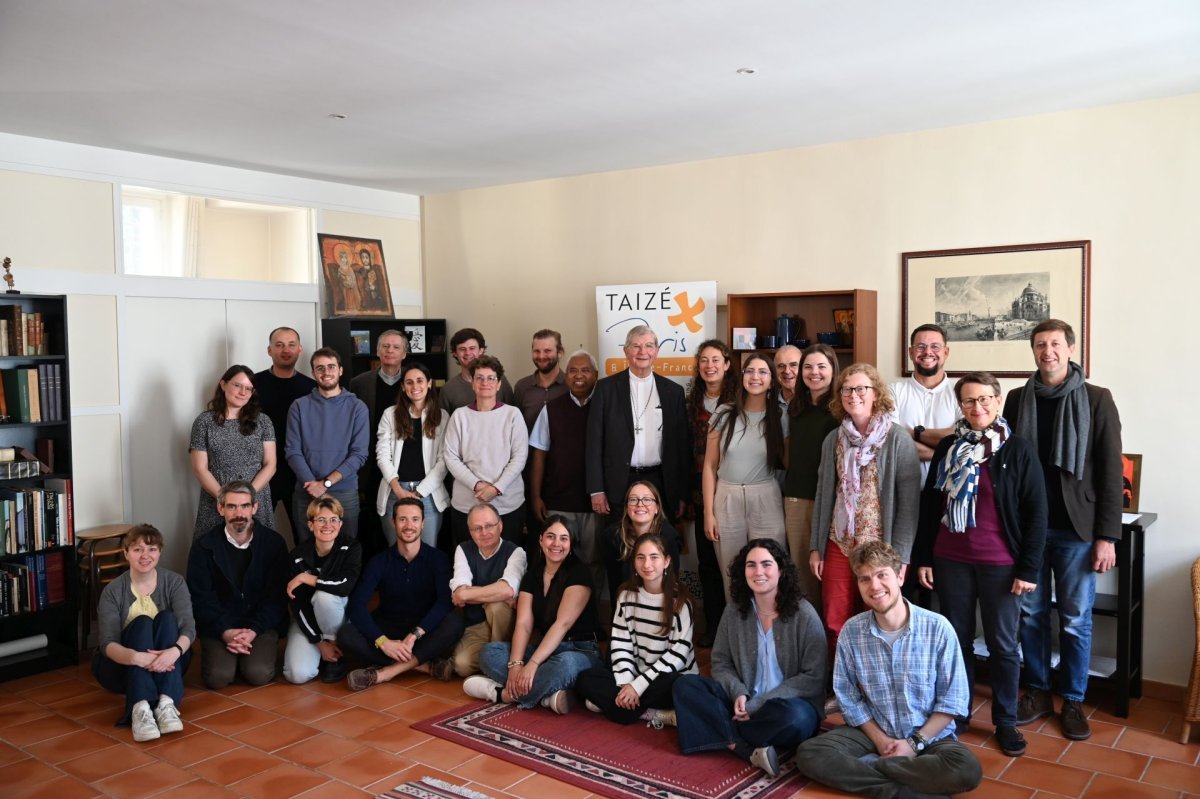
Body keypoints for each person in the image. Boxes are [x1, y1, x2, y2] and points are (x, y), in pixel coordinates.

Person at [914, 371, 1047, 756]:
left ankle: (1005, 721)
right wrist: (924, 557)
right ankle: (958, 714)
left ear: (998, 401)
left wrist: (1028, 570)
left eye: (985, 399)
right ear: (961, 405)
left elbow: (1036, 514)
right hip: (950, 558)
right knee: (956, 642)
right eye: (970, 400)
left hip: (1001, 565)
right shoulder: (948, 447)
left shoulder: (1017, 450)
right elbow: (930, 506)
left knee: (1003, 645)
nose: (978, 407)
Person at [1004, 319, 1122, 742]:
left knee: (1075, 619)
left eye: (1055, 344)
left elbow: (1111, 473)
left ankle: (1073, 698)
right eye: (1040, 344)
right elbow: (1009, 464)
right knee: (1031, 617)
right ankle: (1036, 692)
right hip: (1030, 529)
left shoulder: (1096, 398)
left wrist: (1106, 537)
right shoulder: (1017, 400)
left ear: (1071, 349)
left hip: (1078, 530)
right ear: (1032, 351)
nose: (1047, 351)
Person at [794, 540, 983, 799]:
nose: (874, 586)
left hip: (929, 739)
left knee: (966, 770)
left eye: (882, 575)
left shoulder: (938, 628)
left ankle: (875, 768)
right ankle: (903, 790)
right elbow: (847, 696)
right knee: (809, 754)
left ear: (900, 575)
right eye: (865, 579)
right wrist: (881, 740)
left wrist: (914, 744)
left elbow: (953, 701)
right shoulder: (852, 631)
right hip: (873, 735)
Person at [673, 539, 826, 778]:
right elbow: (721, 662)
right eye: (751, 565)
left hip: (783, 707)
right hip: (741, 702)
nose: (758, 572)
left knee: (798, 719)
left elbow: (813, 678)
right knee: (685, 685)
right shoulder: (734, 610)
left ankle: (720, 730)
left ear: (781, 570)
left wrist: (757, 704)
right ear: (742, 571)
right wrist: (739, 693)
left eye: (766, 564)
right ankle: (745, 748)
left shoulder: (804, 614)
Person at [810, 364, 920, 656]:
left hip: (881, 548)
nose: (854, 395)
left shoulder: (897, 439)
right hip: (839, 542)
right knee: (835, 620)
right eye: (847, 389)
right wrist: (816, 547)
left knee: (877, 617)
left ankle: (873, 684)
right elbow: (824, 496)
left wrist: (902, 557)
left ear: (876, 394)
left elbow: (909, 507)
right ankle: (841, 685)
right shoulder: (833, 439)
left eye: (861, 389)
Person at [465, 516, 605, 714]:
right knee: (490, 652)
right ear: (540, 540)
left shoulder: (579, 573)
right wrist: (516, 665)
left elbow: (562, 624)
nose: (557, 544)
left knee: (564, 665)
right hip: (544, 649)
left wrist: (533, 664)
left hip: (580, 651)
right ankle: (549, 694)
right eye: (550, 537)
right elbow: (523, 624)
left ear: (571, 544)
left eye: (564, 538)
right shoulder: (532, 575)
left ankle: (500, 694)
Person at [339, 497, 465, 690]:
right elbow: (357, 605)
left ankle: (384, 673)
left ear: (423, 524)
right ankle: (424, 666)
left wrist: (415, 634)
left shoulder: (438, 559)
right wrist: (383, 642)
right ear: (394, 522)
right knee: (346, 634)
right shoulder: (379, 561)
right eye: (403, 519)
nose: (409, 525)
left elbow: (444, 602)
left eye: (415, 519)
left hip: (423, 632)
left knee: (454, 623)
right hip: (388, 629)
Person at [576, 532, 697, 726]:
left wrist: (638, 687)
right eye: (640, 558)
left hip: (666, 679)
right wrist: (626, 683)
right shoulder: (626, 596)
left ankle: (617, 707)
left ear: (666, 561)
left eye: (654, 557)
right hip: (635, 675)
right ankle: (652, 714)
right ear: (633, 562)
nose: (647, 564)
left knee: (682, 687)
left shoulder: (681, 602)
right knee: (585, 679)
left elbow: (677, 657)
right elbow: (620, 643)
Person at [93, 524, 194, 742]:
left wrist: (173, 652)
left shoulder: (174, 582)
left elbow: (188, 629)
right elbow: (107, 643)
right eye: (138, 549)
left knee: (167, 619)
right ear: (126, 553)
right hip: (121, 668)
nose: (145, 556)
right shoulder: (113, 591)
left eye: (152, 549)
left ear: (160, 552)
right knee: (141, 623)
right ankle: (140, 709)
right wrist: (138, 658)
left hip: (169, 662)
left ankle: (166, 704)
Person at [186, 481, 289, 689]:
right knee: (218, 677)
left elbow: (277, 597)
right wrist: (225, 631)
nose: (239, 513)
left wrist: (252, 630)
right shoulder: (203, 547)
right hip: (220, 624)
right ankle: (232, 658)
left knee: (258, 673)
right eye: (232, 506)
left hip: (259, 625)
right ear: (220, 508)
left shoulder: (274, 543)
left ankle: (246, 657)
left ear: (255, 508)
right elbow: (200, 598)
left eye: (244, 506)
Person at [703, 353, 788, 597]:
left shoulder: (781, 416)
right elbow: (709, 466)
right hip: (727, 496)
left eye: (763, 372)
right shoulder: (724, 413)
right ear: (741, 377)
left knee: (770, 571)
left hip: (765, 496)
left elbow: (790, 461)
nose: (755, 377)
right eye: (750, 371)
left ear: (772, 381)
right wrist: (709, 513)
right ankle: (738, 631)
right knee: (733, 576)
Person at [586, 325, 691, 522]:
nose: (643, 352)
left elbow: (681, 447)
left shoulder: (673, 392)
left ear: (657, 352)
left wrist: (682, 494)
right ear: (626, 351)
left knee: (658, 545)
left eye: (649, 346)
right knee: (619, 545)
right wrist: (596, 490)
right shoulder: (605, 389)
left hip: (660, 481)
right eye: (636, 346)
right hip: (618, 483)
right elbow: (594, 443)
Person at [529, 350, 602, 590]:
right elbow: (539, 453)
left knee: (593, 561)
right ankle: (558, 616)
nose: (578, 375)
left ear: (596, 375)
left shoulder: (606, 407)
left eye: (585, 370)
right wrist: (536, 495)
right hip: (558, 500)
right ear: (566, 375)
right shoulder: (551, 409)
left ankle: (588, 618)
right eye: (573, 370)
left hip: (596, 503)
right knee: (557, 560)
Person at [285, 347, 370, 544]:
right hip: (307, 491)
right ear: (313, 373)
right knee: (307, 550)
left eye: (331, 367)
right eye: (320, 368)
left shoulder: (357, 407)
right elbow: (292, 451)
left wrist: (325, 484)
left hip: (345, 492)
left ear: (340, 370)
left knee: (345, 549)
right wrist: (313, 486)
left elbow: (359, 454)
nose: (326, 372)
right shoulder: (299, 406)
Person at [685, 339, 737, 647]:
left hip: (731, 487)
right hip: (698, 491)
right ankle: (715, 628)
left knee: (731, 564)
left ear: (727, 364)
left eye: (716, 360)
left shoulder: (740, 399)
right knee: (707, 562)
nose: (710, 366)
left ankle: (735, 630)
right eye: (704, 360)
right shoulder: (691, 402)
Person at [443, 354, 528, 544]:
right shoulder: (460, 416)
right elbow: (451, 457)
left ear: (499, 384)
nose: (485, 383)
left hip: (507, 505)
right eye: (479, 378)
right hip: (467, 503)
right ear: (472, 383)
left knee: (509, 562)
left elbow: (520, 457)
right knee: (469, 560)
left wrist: (497, 488)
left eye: (491, 378)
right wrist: (478, 485)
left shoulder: (512, 415)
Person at [437, 503, 528, 679]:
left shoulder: (516, 552)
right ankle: (494, 664)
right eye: (477, 528)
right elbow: (460, 594)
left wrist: (472, 594)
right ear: (470, 531)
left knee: (497, 607)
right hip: (476, 624)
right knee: (462, 666)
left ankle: (498, 657)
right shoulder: (463, 549)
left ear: (500, 525)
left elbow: (508, 591)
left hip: (504, 623)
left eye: (489, 526)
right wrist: (495, 593)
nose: (484, 532)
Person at [782, 343, 839, 610]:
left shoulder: (842, 408)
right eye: (808, 367)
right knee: (803, 574)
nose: (814, 372)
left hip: (833, 501)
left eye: (821, 366)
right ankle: (809, 638)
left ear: (833, 370)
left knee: (832, 572)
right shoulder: (796, 406)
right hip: (797, 497)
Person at [188, 365, 276, 539]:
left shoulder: (263, 421)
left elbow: (270, 464)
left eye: (248, 388)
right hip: (217, 497)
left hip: (255, 496)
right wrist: (225, 499)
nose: (243, 392)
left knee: (260, 551)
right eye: (237, 385)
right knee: (212, 550)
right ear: (223, 384)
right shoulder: (204, 422)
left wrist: (247, 498)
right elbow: (200, 468)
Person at [283, 496, 363, 685]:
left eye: (333, 519)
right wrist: (319, 642)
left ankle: (337, 653)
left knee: (324, 597)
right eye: (321, 520)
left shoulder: (351, 547)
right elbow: (298, 604)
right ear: (310, 525)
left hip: (340, 616)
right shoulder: (297, 555)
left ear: (340, 523)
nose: (328, 525)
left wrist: (305, 578)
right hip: (309, 620)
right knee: (297, 675)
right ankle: (325, 651)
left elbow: (344, 586)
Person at [375, 361, 449, 547]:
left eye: (420, 381)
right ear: (402, 386)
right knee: (396, 554)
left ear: (429, 383)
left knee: (427, 554)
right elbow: (382, 455)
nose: (415, 386)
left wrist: (419, 492)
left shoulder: (442, 416)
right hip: (395, 491)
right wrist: (399, 490)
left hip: (429, 495)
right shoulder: (390, 415)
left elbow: (444, 460)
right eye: (409, 382)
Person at [255, 326, 317, 543]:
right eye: (279, 345)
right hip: (260, 472)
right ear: (269, 350)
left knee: (306, 537)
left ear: (300, 349)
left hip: (300, 473)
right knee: (256, 535)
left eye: (291, 344)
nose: (285, 350)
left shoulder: (312, 387)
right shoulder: (253, 384)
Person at [350, 329, 408, 553]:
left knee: (401, 517)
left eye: (396, 347)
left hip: (405, 462)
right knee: (372, 518)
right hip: (369, 461)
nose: (390, 351)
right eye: (385, 346)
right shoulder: (359, 383)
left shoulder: (412, 380)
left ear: (404, 353)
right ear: (377, 351)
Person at [889, 324, 962, 485]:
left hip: (950, 493)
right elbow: (894, 443)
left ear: (946, 352)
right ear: (910, 352)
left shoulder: (962, 392)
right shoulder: (892, 392)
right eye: (921, 346)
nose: (928, 352)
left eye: (935, 346)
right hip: (903, 491)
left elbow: (964, 439)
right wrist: (945, 453)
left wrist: (913, 433)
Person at [605, 480, 682, 610]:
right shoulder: (613, 536)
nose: (640, 504)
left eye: (647, 500)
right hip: (625, 606)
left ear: (657, 508)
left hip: (661, 606)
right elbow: (615, 585)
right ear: (626, 507)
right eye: (633, 500)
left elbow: (672, 580)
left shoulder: (669, 537)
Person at [440, 327, 516, 413]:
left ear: (481, 350)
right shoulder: (448, 389)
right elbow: (444, 422)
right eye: (462, 349)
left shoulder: (498, 379)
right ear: (455, 353)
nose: (467, 353)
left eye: (472, 348)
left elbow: (511, 412)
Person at [513, 328, 568, 430]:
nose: (541, 356)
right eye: (537, 351)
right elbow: (516, 428)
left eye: (547, 351)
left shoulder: (570, 385)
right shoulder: (522, 387)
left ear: (560, 352)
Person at [773, 344, 803, 411]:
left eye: (793, 365)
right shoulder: (768, 403)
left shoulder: (813, 402)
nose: (787, 371)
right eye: (781, 366)